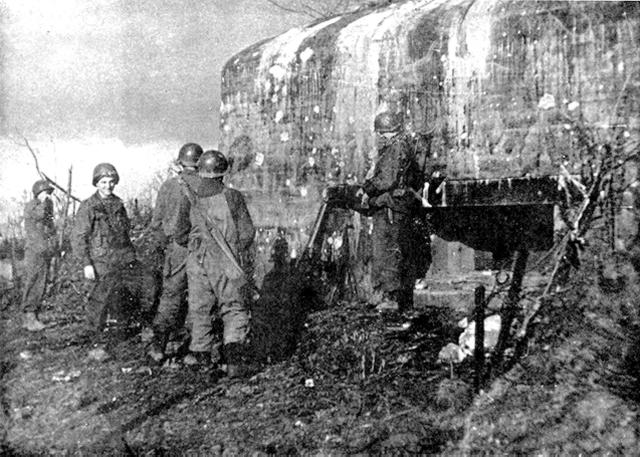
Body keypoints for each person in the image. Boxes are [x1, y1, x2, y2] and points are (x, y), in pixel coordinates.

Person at [180, 150, 255, 376]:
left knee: (200, 309)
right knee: (233, 307)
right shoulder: (232, 197)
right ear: (223, 173)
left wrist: (197, 245)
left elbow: (178, 233)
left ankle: (202, 362)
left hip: (197, 260)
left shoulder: (190, 197)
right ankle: (234, 364)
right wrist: (233, 249)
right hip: (225, 260)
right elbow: (247, 232)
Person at [71, 163, 157, 333]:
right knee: (99, 300)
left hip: (123, 257)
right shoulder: (88, 206)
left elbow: (124, 234)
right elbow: (78, 237)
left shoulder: (118, 204)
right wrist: (86, 263)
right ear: (96, 183)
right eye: (103, 182)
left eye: (111, 181)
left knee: (141, 286)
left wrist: (132, 257)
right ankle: (95, 339)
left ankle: (126, 329)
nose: (108, 185)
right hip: (101, 260)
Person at [362, 111, 431, 313]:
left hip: (393, 206)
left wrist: (366, 188)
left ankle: (392, 299)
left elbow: (387, 180)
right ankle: (395, 298)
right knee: (396, 251)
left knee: (390, 251)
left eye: (381, 133)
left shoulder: (396, 147)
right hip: (399, 204)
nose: (379, 137)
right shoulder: (403, 145)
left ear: (386, 132)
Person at [146, 143, 203, 362]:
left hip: (177, 249)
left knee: (171, 296)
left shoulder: (169, 186)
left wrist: (163, 249)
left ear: (180, 163)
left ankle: (159, 347)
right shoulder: (209, 186)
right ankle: (195, 348)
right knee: (201, 296)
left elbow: (157, 223)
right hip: (201, 248)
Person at [21, 179, 57, 331]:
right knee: (34, 281)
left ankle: (34, 316)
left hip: (43, 251)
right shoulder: (32, 205)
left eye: (49, 193)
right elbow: (40, 215)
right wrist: (45, 203)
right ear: (38, 193)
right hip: (34, 251)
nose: (48, 196)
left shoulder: (45, 208)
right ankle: (29, 317)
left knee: (41, 282)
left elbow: (51, 229)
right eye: (45, 192)